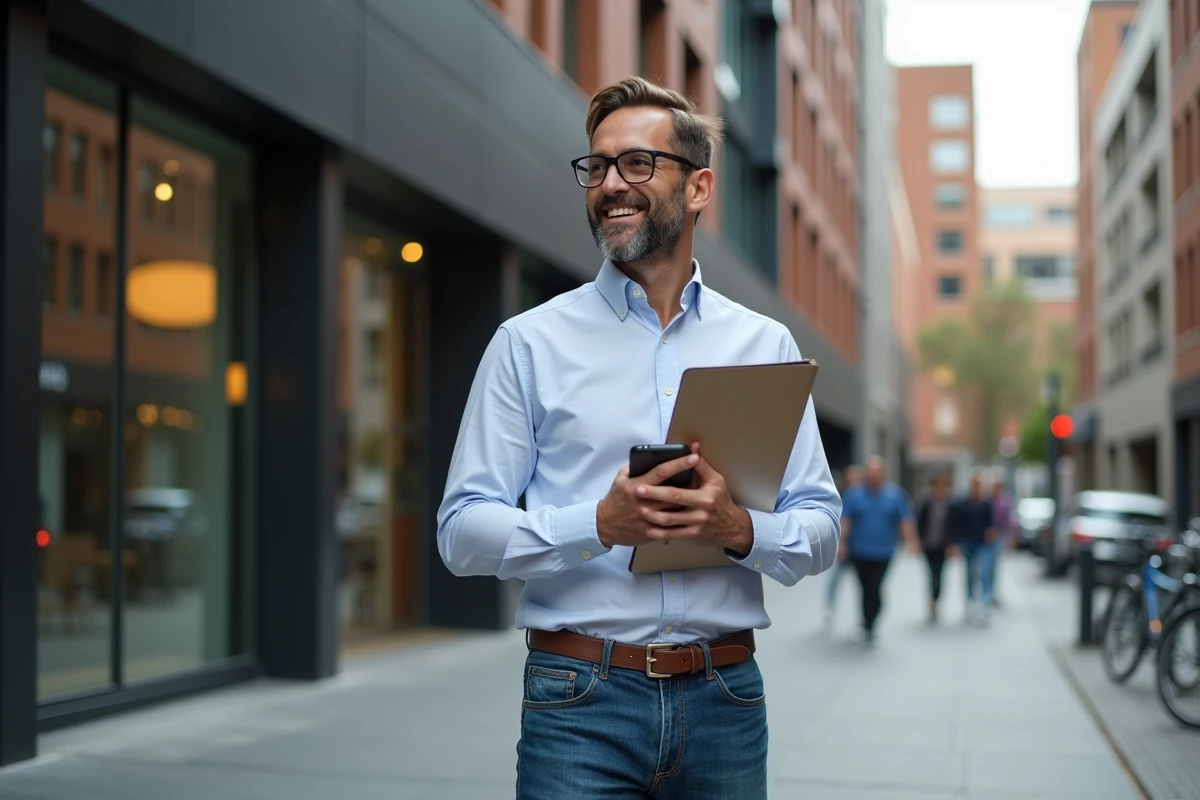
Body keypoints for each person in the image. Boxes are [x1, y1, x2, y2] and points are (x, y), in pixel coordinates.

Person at [436, 76, 841, 799]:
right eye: (597, 167)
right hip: (578, 701)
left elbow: (821, 528)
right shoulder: (527, 344)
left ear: (699, 187)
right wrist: (598, 524)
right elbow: (462, 532)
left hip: (726, 700)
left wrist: (738, 529)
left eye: (637, 164)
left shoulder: (765, 344)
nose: (610, 184)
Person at [839, 456, 916, 643]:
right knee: (864, 588)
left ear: (883, 475)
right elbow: (846, 521)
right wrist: (841, 543)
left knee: (875, 587)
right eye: (870, 474)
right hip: (859, 550)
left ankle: (870, 620)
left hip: (884, 551)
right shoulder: (854, 495)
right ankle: (867, 624)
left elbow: (905, 520)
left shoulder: (894, 495)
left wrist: (910, 541)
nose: (873, 477)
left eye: (877, 474)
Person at [947, 472, 996, 625]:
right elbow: (955, 525)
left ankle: (983, 604)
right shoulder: (962, 504)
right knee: (969, 574)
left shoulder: (985, 504)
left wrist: (990, 532)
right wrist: (955, 543)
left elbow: (990, 523)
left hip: (982, 543)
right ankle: (969, 603)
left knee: (983, 571)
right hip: (967, 543)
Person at [915, 471, 956, 624]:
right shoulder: (926, 502)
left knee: (939, 575)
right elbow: (919, 522)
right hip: (929, 544)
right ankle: (932, 602)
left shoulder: (950, 503)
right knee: (931, 573)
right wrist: (917, 541)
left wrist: (952, 544)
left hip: (943, 546)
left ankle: (936, 600)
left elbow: (954, 525)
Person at [824, 464, 862, 627]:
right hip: (845, 548)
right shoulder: (840, 498)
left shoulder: (863, 497)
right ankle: (830, 608)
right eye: (850, 480)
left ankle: (862, 616)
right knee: (835, 580)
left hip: (861, 549)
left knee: (863, 584)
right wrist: (840, 544)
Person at [985, 474, 1014, 609]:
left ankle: (992, 593)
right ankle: (987, 593)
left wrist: (1010, 538)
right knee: (986, 567)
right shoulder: (987, 500)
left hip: (1000, 536)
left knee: (994, 566)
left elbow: (1008, 521)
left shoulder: (1005, 501)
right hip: (987, 537)